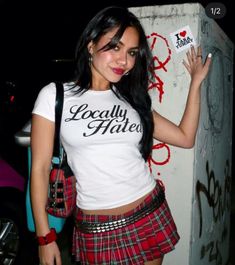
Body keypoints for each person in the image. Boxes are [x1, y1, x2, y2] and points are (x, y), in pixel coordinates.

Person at [30, 5, 212, 265]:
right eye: (115, 47)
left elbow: (185, 137)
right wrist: (45, 238)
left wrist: (195, 83)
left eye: (131, 52)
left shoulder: (132, 99)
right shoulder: (55, 96)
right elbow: (39, 169)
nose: (124, 61)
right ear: (91, 45)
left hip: (147, 213)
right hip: (95, 228)